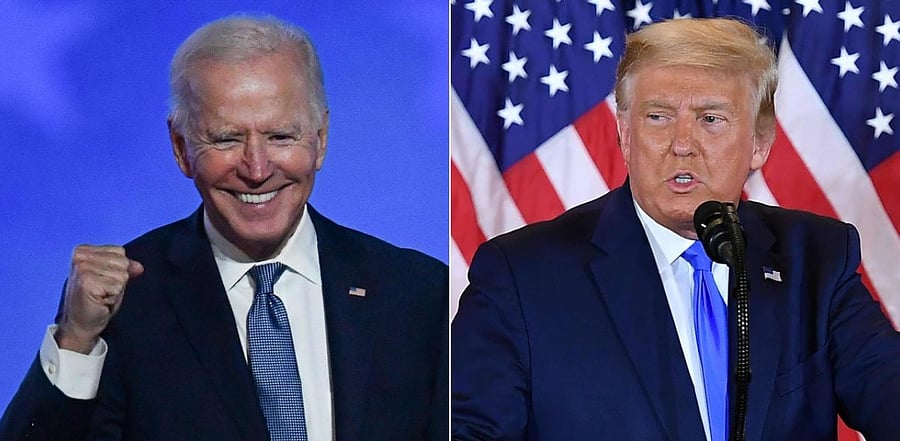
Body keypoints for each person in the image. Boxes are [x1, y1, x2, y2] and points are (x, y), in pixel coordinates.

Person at [0, 15, 447, 441]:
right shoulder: (126, 303)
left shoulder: (417, 294)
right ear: (181, 148)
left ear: (320, 139)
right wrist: (76, 340)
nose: (256, 169)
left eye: (280, 137)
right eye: (227, 139)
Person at [451, 17, 900, 441]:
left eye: (711, 119)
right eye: (659, 116)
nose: (682, 145)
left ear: (760, 144)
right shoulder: (521, 276)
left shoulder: (816, 258)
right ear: (625, 134)